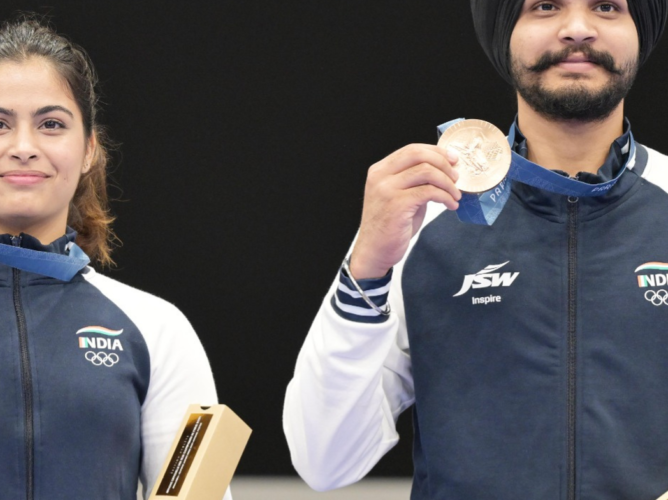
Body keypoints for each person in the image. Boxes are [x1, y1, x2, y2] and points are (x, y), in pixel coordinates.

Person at [283, 1, 668, 499]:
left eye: (607, 7)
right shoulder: (424, 218)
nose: (577, 29)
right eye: (546, 6)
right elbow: (324, 461)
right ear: (505, 32)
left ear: (642, 32)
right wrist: (368, 268)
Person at [0, 17, 230, 500]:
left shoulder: (160, 328)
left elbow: (202, 497)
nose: (23, 148)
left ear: (89, 150)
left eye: (51, 125)